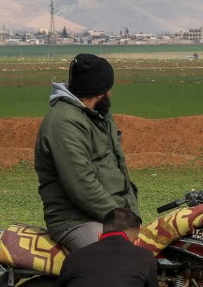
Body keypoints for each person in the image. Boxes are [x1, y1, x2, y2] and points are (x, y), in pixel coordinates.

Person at [35, 53, 139, 252]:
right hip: (76, 219)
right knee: (118, 258)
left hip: (110, 216)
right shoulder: (65, 122)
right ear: (101, 93)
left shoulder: (100, 116)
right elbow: (81, 183)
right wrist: (121, 221)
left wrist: (132, 215)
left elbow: (118, 170)